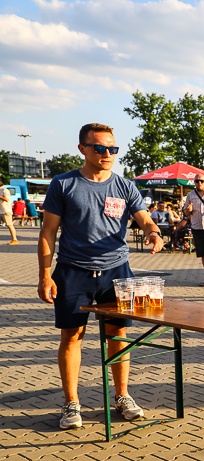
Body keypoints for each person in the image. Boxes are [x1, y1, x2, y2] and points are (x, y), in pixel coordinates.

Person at [37, 122, 164, 430]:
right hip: (72, 271)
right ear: (82, 149)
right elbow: (48, 232)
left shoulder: (123, 186)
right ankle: (71, 404)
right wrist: (44, 275)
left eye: (112, 149)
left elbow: (144, 217)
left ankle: (122, 396)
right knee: (72, 336)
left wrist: (154, 231)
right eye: (100, 148)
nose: (108, 154)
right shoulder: (63, 184)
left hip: (116, 272)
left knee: (118, 335)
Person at [0, 175, 19, 244]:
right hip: (0, 210)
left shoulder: (5, 190)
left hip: (5, 210)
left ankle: (14, 239)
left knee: (9, 225)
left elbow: (7, 199)